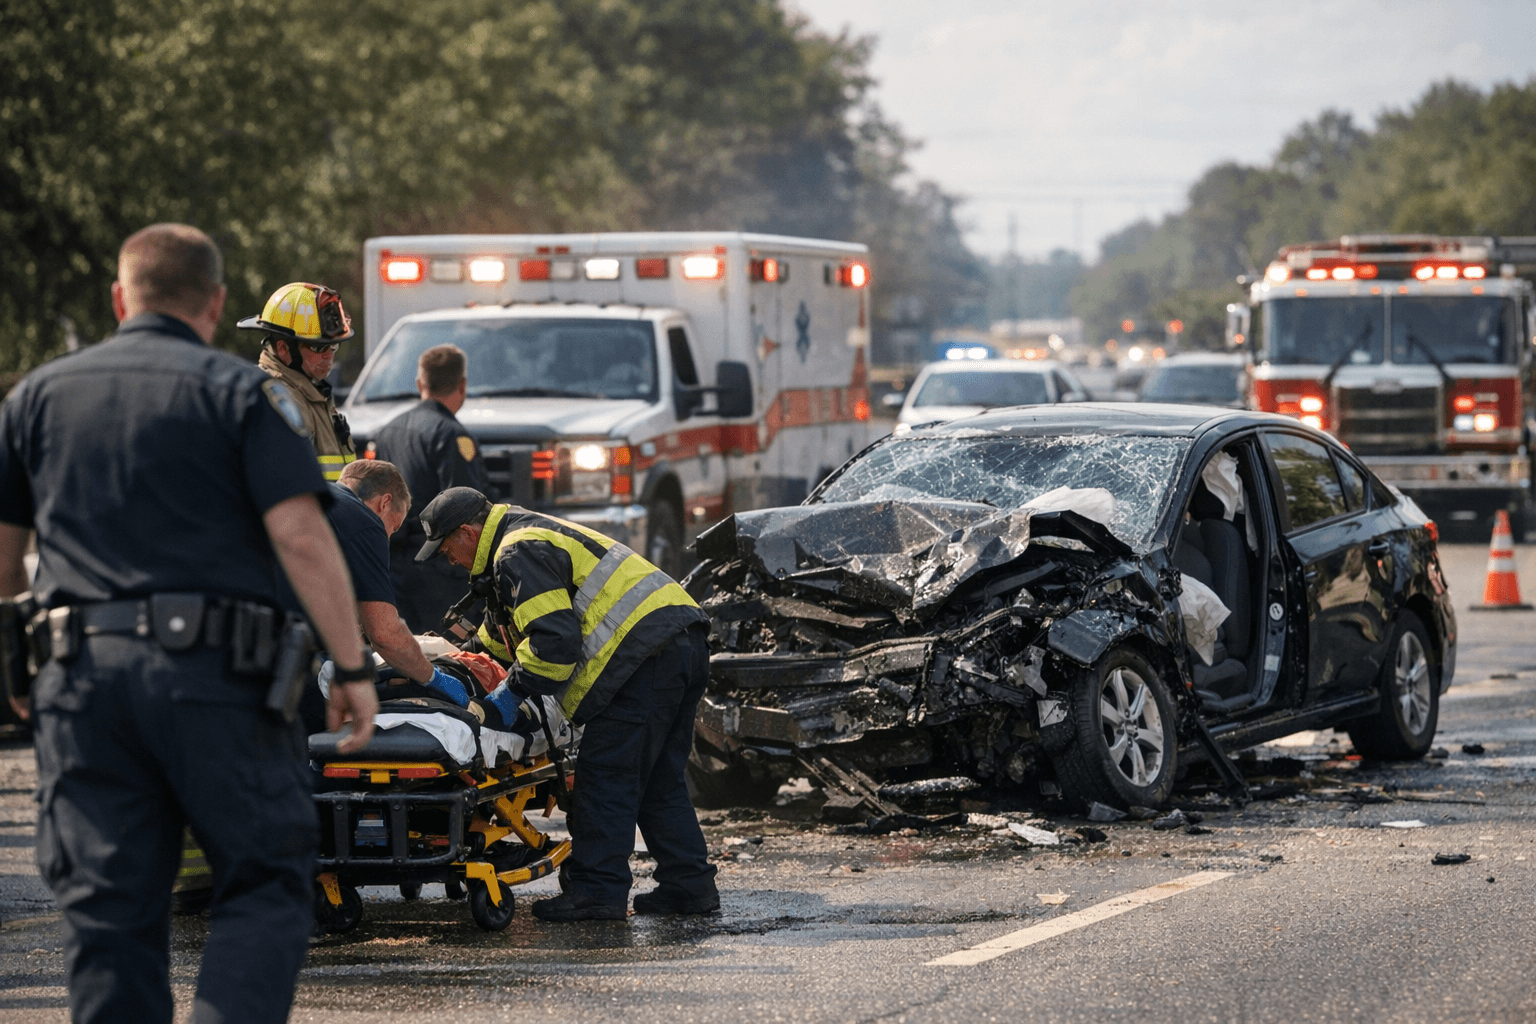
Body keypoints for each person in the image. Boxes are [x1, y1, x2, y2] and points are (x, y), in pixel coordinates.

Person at [0, 224, 378, 1024]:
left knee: (108, 910)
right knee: (267, 883)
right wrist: (350, 668)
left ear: (117, 297)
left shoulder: (34, 397)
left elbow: (4, 560)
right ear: (214, 304)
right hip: (218, 677)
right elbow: (304, 538)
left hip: (81, 678)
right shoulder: (243, 396)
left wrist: (14, 666)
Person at [414, 487, 718, 921]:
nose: (452, 562)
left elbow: (554, 644)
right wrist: (455, 657)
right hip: (680, 642)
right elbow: (508, 636)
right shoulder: (526, 535)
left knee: (604, 779)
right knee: (659, 781)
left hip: (642, 658)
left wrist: (507, 697)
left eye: (449, 551)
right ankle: (689, 888)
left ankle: (597, 892)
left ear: (468, 532)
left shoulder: (515, 553)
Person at [286, 459, 467, 735]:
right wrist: (433, 678)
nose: (388, 537)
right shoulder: (363, 520)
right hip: (286, 667)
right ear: (384, 502)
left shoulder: (307, 499)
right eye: (392, 528)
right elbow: (385, 634)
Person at [368, 344, 489, 633]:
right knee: (450, 655)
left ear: (420, 383)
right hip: (441, 572)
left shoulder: (387, 432)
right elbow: (466, 508)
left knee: (404, 658)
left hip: (394, 567)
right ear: (462, 386)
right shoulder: (452, 435)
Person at [240, 281, 358, 480]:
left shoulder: (312, 392)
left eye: (333, 346)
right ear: (284, 349)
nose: (329, 355)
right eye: (318, 348)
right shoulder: (279, 402)